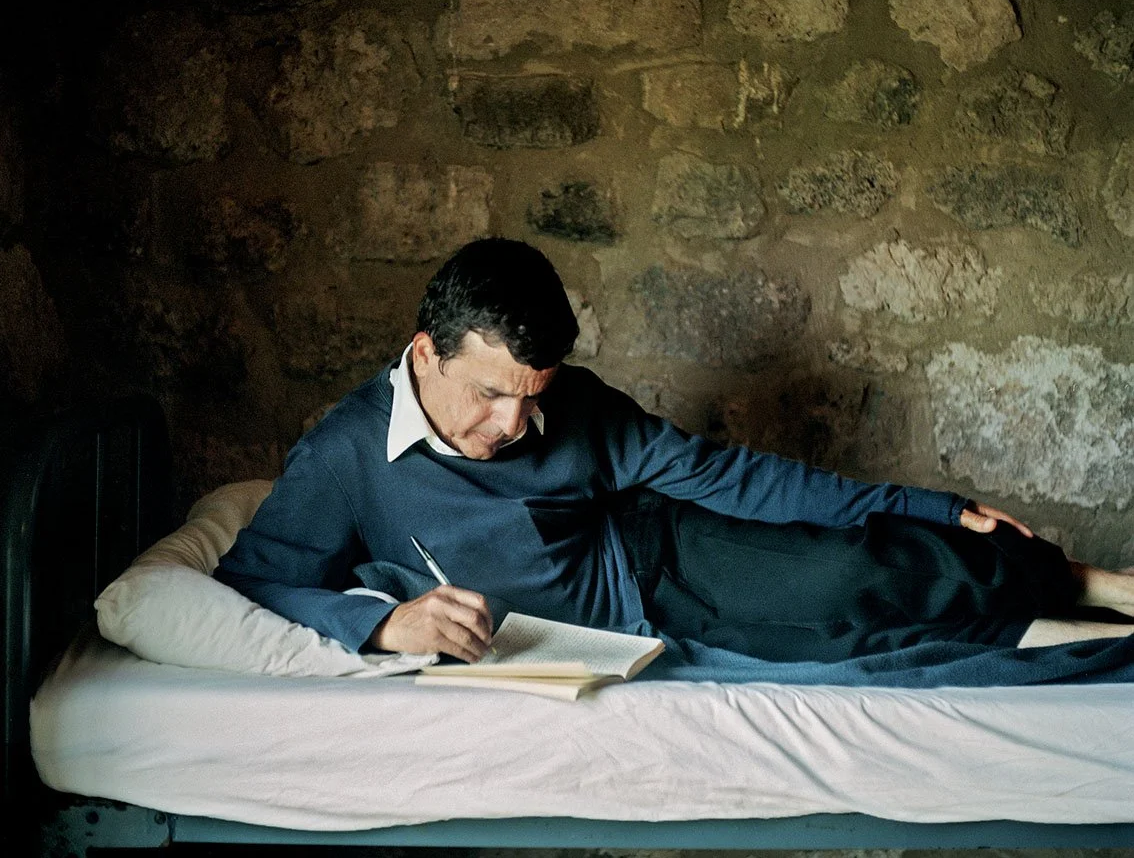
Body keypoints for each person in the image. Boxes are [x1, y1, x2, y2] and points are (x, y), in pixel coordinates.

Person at [214, 238, 1134, 666]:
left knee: (846, 576)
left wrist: (934, 505)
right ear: (425, 354)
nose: (515, 424)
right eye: (490, 394)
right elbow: (250, 583)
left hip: (662, 555)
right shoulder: (345, 454)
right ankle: (1051, 608)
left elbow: (737, 477)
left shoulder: (569, 406)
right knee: (847, 638)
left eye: (532, 397)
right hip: (638, 638)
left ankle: (1081, 581)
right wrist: (381, 625)